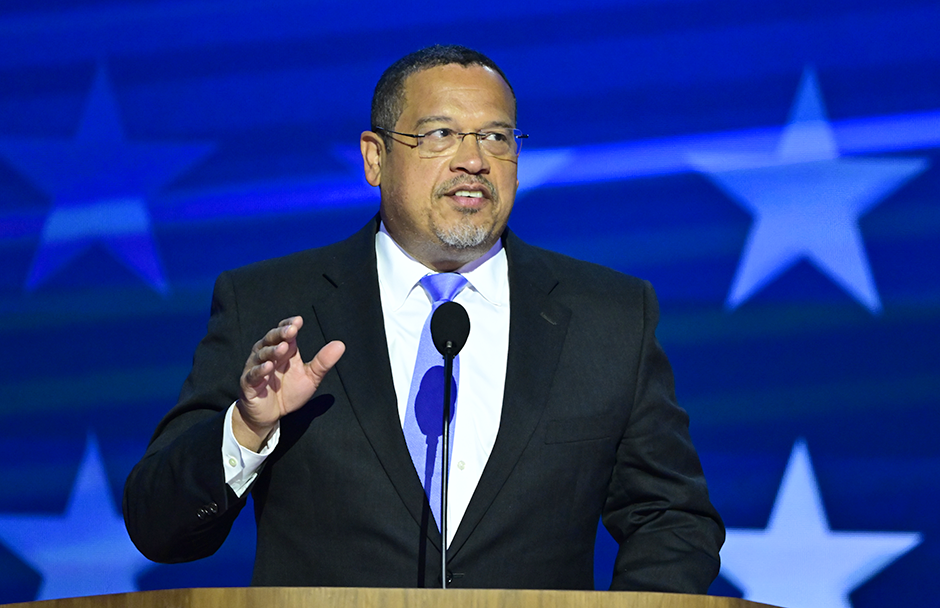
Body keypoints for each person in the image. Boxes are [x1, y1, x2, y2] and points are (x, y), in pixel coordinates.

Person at [123, 44, 724, 592]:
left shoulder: (609, 316)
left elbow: (672, 520)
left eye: (497, 137)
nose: (474, 160)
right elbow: (158, 528)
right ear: (375, 158)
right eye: (441, 134)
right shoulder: (269, 303)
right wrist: (246, 430)